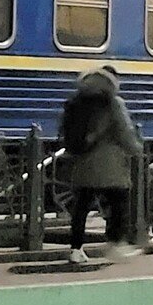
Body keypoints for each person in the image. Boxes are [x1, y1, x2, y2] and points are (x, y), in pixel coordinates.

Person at [61, 66, 143, 264]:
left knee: (81, 207)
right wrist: (136, 148)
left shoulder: (77, 101)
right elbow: (124, 131)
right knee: (119, 203)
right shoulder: (113, 102)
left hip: (83, 161)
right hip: (109, 164)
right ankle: (116, 245)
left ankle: (76, 249)